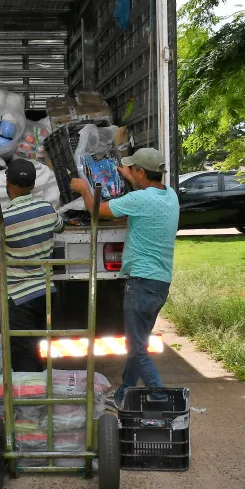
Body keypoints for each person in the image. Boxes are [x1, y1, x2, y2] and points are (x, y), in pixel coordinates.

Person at [70, 147, 179, 406]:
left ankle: (160, 395)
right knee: (138, 343)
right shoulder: (170, 195)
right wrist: (127, 176)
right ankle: (123, 394)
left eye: (131, 168)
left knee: (136, 347)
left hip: (140, 283)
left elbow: (98, 210)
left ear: (141, 171)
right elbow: (144, 192)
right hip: (160, 283)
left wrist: (85, 189)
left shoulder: (139, 201)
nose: (127, 171)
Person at [0, 159, 65, 372]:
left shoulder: (3, 219)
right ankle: (44, 393)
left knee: (22, 356)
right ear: (33, 185)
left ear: (7, 184)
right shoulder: (47, 209)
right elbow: (60, 226)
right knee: (42, 349)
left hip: (19, 298)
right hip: (47, 293)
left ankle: (29, 402)